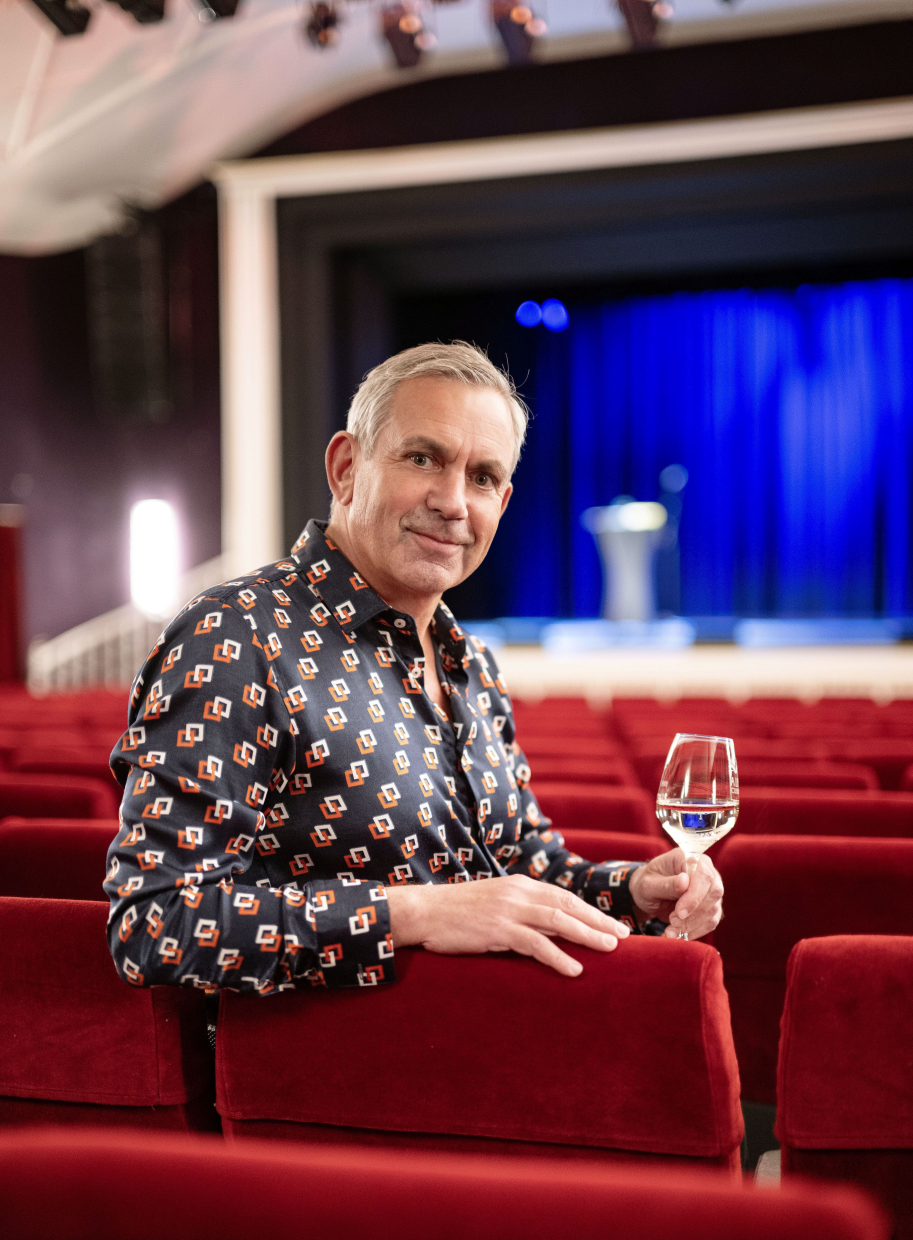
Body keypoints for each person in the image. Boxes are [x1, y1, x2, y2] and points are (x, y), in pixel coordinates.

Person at [105, 342, 723, 995]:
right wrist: (416, 914)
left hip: (485, 1047)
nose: (454, 501)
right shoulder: (237, 635)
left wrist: (631, 889)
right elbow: (156, 925)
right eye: (423, 458)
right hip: (334, 1085)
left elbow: (513, 860)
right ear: (345, 468)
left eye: (482, 477)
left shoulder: (470, 662)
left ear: (502, 504)